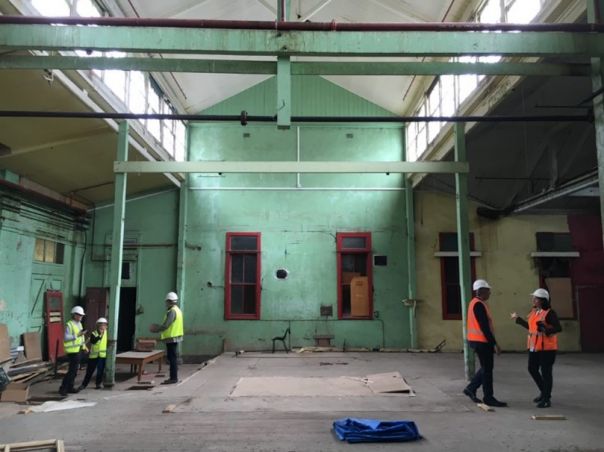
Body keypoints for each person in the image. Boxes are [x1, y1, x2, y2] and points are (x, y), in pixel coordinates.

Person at [511, 288, 562, 408]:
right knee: (532, 368)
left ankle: (546, 398)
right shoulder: (534, 312)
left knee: (546, 373)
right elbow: (531, 327)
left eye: (536, 298)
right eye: (533, 297)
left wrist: (546, 329)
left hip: (547, 349)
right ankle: (544, 392)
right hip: (535, 347)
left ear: (543, 300)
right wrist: (518, 320)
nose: (533, 299)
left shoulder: (549, 313)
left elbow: (558, 328)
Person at [463, 279, 508, 407]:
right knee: (487, 370)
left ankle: (471, 389)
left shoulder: (475, 303)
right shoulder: (478, 305)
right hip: (482, 342)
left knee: (486, 368)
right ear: (481, 291)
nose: (490, 293)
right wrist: (494, 343)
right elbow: (484, 326)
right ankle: (488, 397)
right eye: (488, 291)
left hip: (477, 341)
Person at [151, 292, 183, 385]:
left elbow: (166, 325)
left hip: (171, 338)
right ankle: (174, 376)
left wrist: (156, 329)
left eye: (167, 301)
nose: (166, 303)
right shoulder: (177, 310)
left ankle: (173, 378)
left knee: (171, 358)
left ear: (169, 301)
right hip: (175, 337)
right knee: (173, 357)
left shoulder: (172, 311)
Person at [59, 306, 87, 396]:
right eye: (79, 315)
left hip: (78, 350)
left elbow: (81, 338)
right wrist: (77, 335)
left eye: (82, 315)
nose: (81, 317)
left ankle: (70, 387)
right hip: (72, 351)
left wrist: (84, 346)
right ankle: (63, 388)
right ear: (74, 315)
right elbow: (66, 338)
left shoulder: (79, 324)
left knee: (74, 371)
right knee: (72, 371)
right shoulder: (69, 324)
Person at [79, 317, 108, 391]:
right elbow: (93, 341)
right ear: (98, 326)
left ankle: (98, 384)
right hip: (93, 356)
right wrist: (100, 335)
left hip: (102, 356)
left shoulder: (107, 334)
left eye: (104, 325)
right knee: (89, 371)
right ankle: (84, 385)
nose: (103, 326)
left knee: (100, 371)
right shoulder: (94, 333)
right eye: (101, 325)